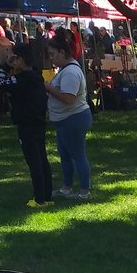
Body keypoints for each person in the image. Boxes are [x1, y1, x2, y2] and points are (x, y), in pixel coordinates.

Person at [0, 42, 53, 207]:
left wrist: (3, 66)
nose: (11, 60)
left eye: (13, 57)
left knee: (34, 161)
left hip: (26, 124)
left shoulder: (21, 79)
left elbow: (2, 84)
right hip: (38, 122)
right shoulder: (37, 77)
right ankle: (47, 194)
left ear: (20, 60)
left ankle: (39, 198)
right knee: (42, 158)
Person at [45, 30, 93, 199]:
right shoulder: (65, 70)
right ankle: (66, 187)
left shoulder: (71, 72)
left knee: (78, 155)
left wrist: (49, 88)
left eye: (52, 54)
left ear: (62, 52)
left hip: (73, 118)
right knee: (65, 155)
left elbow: (68, 98)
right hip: (65, 119)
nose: (51, 58)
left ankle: (84, 191)